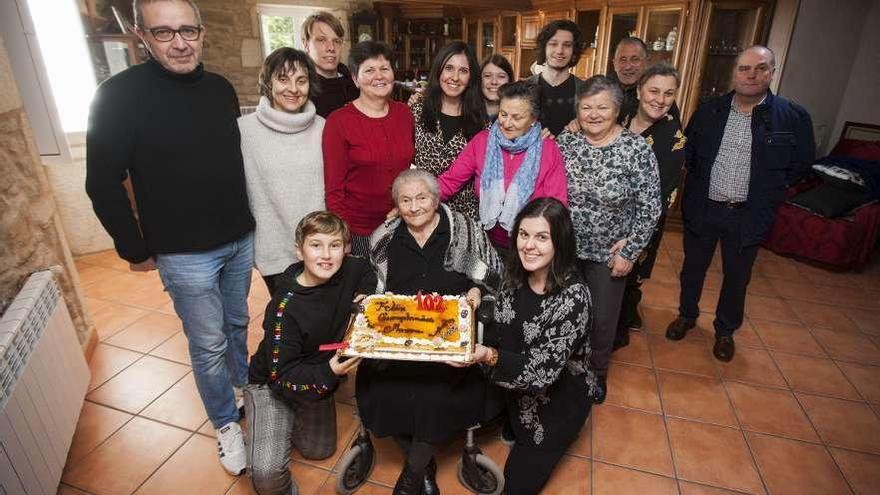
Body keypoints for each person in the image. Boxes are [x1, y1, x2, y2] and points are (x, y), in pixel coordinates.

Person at [85, 0, 254, 475]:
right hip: (183, 253)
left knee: (238, 324)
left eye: (187, 30)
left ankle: (246, 393)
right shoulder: (116, 96)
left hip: (238, 238)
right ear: (142, 36)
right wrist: (134, 248)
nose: (179, 42)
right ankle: (225, 424)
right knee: (208, 344)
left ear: (201, 32)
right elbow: (101, 181)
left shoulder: (220, 89)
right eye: (164, 33)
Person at [665, 46, 815, 361]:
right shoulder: (709, 110)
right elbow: (687, 154)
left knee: (737, 278)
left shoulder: (792, 116)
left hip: (748, 214)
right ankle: (687, 315)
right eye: (744, 68)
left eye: (760, 68)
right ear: (735, 72)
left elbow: (801, 165)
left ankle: (724, 331)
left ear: (772, 72)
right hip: (705, 208)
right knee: (692, 269)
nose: (751, 75)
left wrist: (769, 194)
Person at [357, 169, 502, 495]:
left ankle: (412, 475)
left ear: (436, 199)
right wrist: (370, 297)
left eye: (421, 197)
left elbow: (491, 278)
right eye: (405, 200)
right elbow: (371, 281)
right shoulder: (386, 236)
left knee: (437, 395)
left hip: (448, 342)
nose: (414, 206)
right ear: (396, 205)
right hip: (400, 341)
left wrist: (478, 292)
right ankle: (423, 465)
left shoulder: (461, 232)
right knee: (382, 390)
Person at [468, 197, 596, 495]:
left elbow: (541, 373)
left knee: (513, 489)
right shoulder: (515, 273)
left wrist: (487, 355)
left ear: (560, 243)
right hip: (512, 387)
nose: (529, 245)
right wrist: (475, 290)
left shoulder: (573, 298)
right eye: (524, 235)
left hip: (554, 406)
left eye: (542, 237)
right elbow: (494, 301)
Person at [245, 211, 374, 495]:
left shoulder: (350, 268)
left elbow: (366, 271)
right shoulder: (284, 308)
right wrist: (331, 372)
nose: (326, 255)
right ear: (299, 250)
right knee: (266, 475)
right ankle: (265, 422)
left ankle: (288, 419)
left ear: (346, 248)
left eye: (335, 245)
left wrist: (363, 295)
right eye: (316, 245)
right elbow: (282, 377)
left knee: (319, 451)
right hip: (274, 382)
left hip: (314, 373)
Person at [556, 75, 661, 403]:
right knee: (566, 311)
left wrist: (630, 248)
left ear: (617, 109)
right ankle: (562, 368)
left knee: (602, 318)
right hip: (566, 249)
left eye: (602, 107)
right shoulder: (567, 142)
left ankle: (596, 372)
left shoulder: (636, 149)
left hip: (609, 252)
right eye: (586, 107)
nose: (594, 114)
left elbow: (651, 206)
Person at [438, 80, 569, 252]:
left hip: (529, 246)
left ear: (533, 118)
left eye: (517, 117)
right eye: (503, 114)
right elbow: (450, 181)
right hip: (486, 242)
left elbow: (557, 205)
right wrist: (419, 199)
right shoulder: (482, 141)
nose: (507, 123)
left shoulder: (548, 149)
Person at [239, 47, 325, 294]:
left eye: (301, 80)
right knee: (287, 320)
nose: (293, 89)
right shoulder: (244, 131)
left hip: (321, 246)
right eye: (283, 79)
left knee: (323, 321)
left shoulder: (323, 128)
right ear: (268, 82)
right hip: (273, 249)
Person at [614, 63, 687, 347]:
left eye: (669, 93)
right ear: (640, 89)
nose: (660, 99)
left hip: (638, 228)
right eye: (654, 90)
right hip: (605, 217)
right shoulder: (621, 112)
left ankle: (617, 336)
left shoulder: (674, 138)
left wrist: (630, 239)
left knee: (628, 279)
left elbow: (659, 197)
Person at [323, 41, 415, 256]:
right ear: (355, 79)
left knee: (400, 289)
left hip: (403, 225)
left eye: (385, 68)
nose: (379, 76)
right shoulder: (338, 122)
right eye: (369, 70)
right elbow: (334, 190)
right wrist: (342, 236)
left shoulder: (404, 114)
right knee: (366, 288)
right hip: (359, 232)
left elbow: (409, 169)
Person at [411, 42, 487, 219]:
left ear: (471, 78)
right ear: (439, 71)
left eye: (463, 71)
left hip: (465, 218)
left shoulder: (482, 123)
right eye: (449, 68)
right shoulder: (417, 110)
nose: (455, 77)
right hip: (421, 212)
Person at [527, 20, 587, 137]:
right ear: (544, 47)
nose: (560, 51)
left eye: (567, 45)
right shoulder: (524, 87)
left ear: (574, 51)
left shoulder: (586, 91)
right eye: (553, 44)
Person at [301, 12, 358, 118]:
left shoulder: (356, 84)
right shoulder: (300, 91)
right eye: (321, 40)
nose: (331, 48)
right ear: (306, 45)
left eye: (337, 41)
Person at [481, 54, 514, 121]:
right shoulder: (464, 111)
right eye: (487, 76)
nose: (494, 82)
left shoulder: (518, 117)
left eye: (501, 76)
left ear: (509, 81)